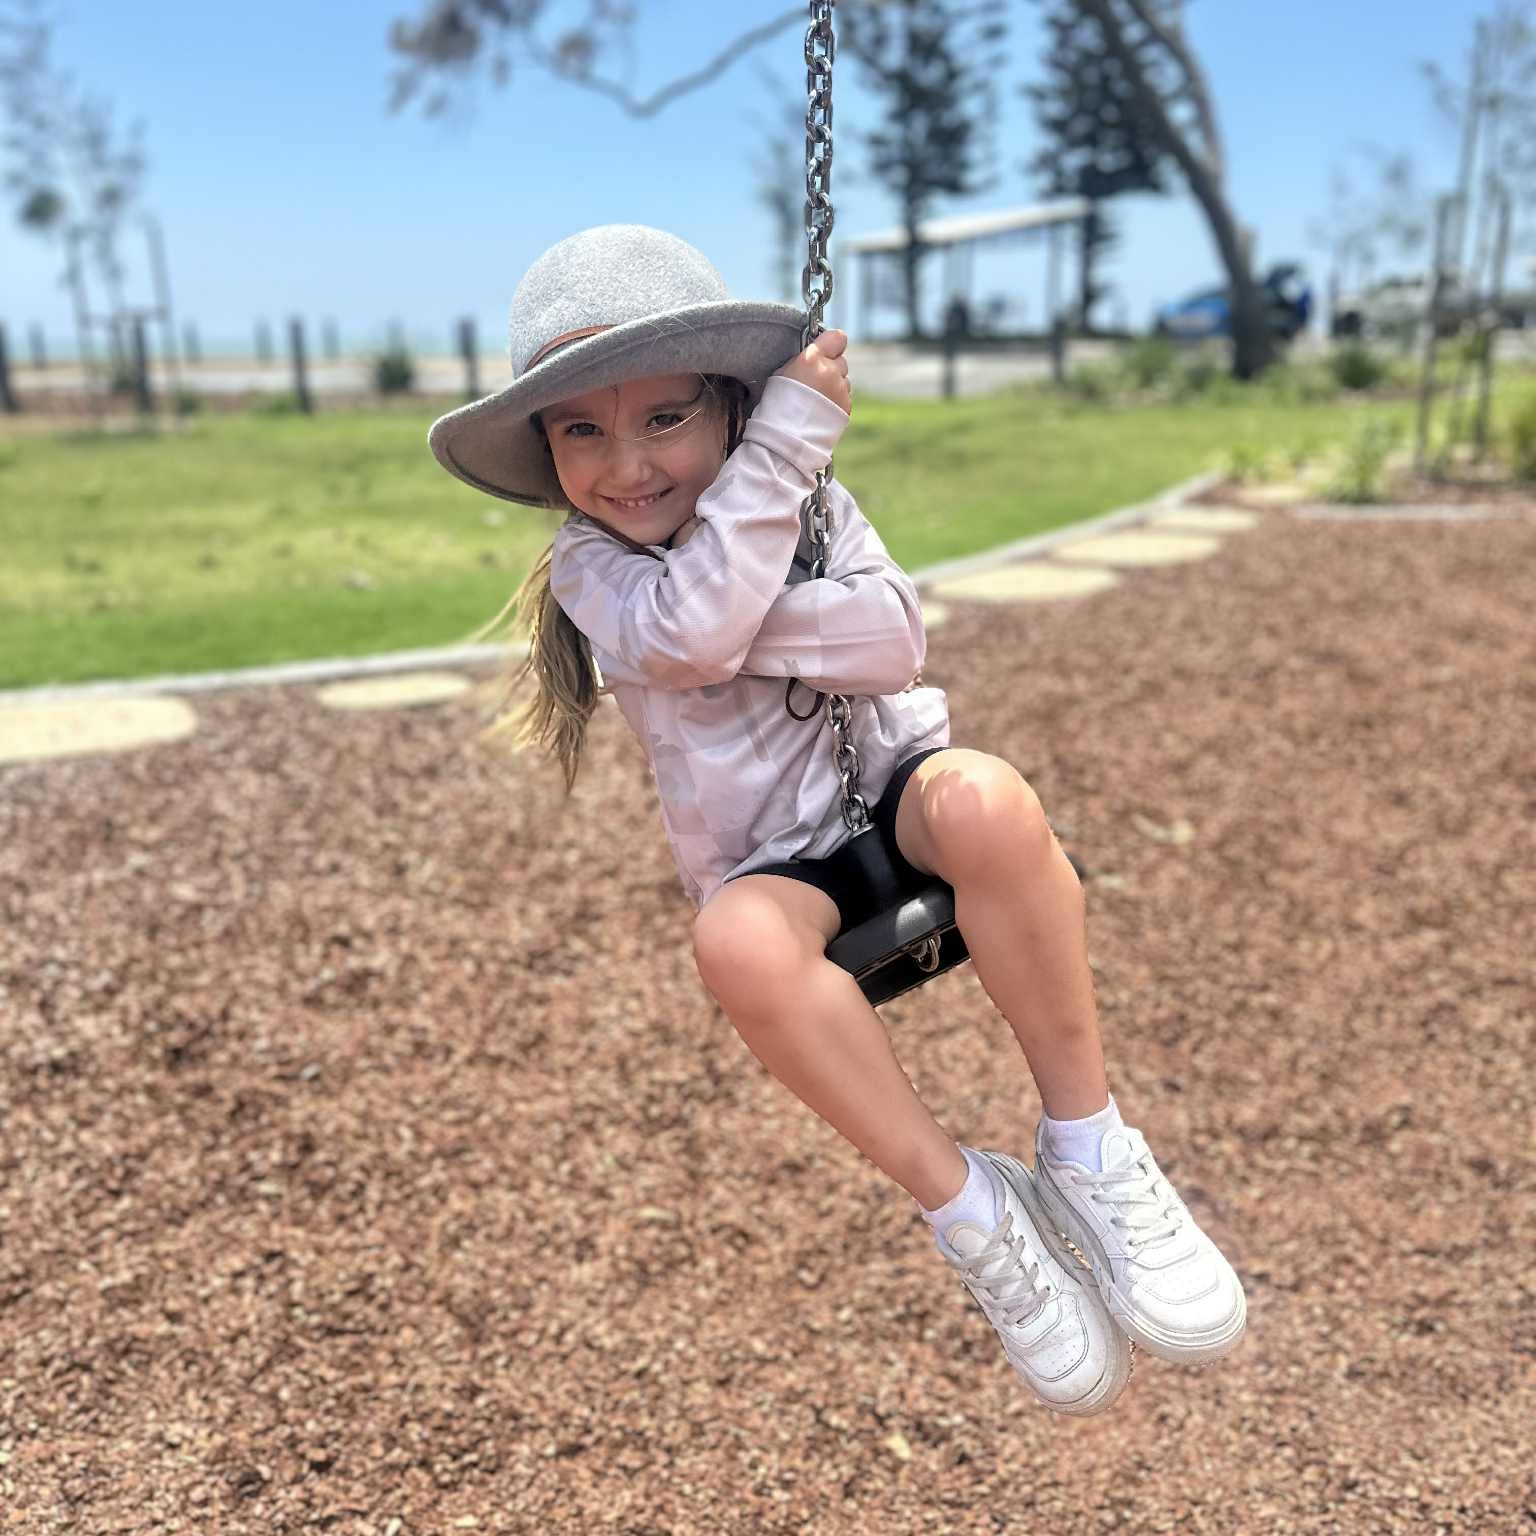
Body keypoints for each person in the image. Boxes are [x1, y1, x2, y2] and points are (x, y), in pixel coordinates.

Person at [429, 224, 1246, 1417]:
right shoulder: (585, 568)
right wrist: (738, 551)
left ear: (730, 411)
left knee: (991, 800)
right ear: (547, 448)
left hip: (898, 792)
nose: (627, 464)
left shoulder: (812, 502)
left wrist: (706, 627)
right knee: (736, 948)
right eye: (583, 430)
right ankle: (974, 1210)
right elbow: (692, 635)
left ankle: (1090, 1148)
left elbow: (888, 643)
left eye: (665, 418)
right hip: (771, 864)